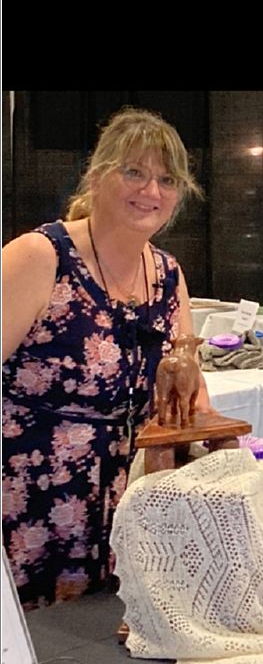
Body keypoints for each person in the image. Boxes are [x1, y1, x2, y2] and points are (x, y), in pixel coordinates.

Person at [2, 106, 213, 608]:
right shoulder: (40, 256)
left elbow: (190, 389)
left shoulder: (167, 274)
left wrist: (224, 448)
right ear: (96, 177)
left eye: (167, 179)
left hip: (124, 495)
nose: (152, 191)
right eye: (134, 171)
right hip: (26, 494)